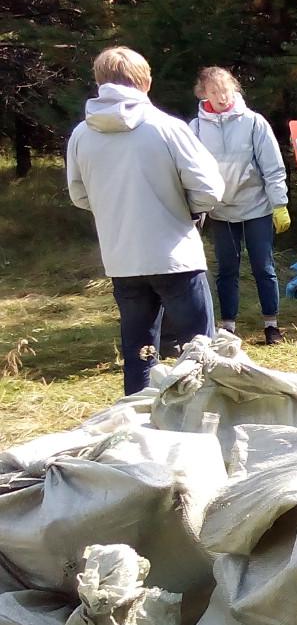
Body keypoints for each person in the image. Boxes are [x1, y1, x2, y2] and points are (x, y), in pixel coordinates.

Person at [67, 46, 225, 396]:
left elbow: (79, 195)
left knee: (140, 356)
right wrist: (186, 209)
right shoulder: (167, 128)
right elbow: (210, 189)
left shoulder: (81, 134)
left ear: (98, 81)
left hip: (122, 259)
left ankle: (137, 431)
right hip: (175, 255)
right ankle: (204, 424)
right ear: (147, 82)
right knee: (200, 354)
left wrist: (115, 210)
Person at [191, 66, 290, 344]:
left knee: (263, 267)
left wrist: (279, 203)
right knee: (227, 270)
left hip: (257, 207)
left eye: (225, 90)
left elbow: (273, 167)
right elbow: (189, 171)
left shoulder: (254, 122)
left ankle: (272, 326)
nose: (221, 97)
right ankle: (228, 327)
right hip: (220, 211)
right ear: (203, 93)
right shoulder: (196, 127)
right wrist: (196, 207)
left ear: (234, 88)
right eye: (214, 91)